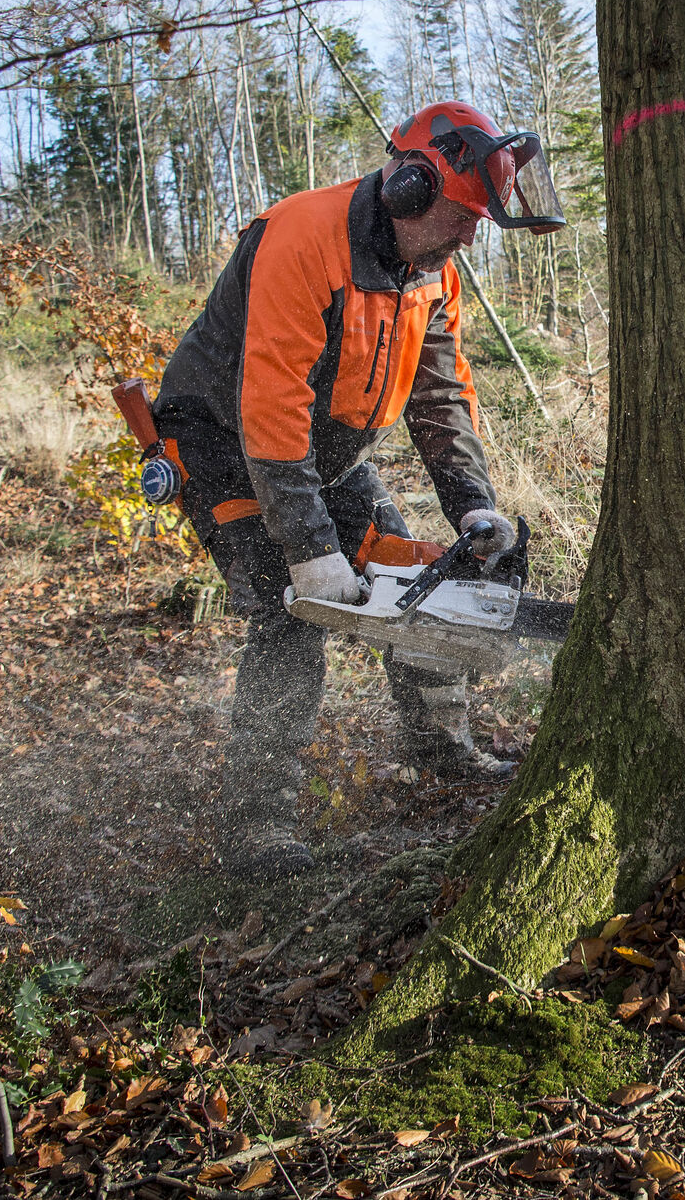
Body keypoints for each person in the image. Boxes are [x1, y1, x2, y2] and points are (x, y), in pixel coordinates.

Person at [152, 101, 567, 880]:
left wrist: (472, 503)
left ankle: (438, 745)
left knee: (423, 577)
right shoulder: (303, 237)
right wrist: (310, 549)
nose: (468, 236)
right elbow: (271, 398)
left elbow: (441, 395)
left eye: (477, 222)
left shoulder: (432, 273)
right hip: (222, 444)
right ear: (411, 188)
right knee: (291, 611)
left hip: (326, 452)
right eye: (461, 215)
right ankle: (259, 820)